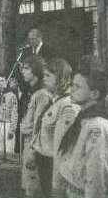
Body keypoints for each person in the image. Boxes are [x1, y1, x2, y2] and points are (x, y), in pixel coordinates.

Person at [58, 55, 108, 198]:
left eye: (77, 86)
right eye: (72, 84)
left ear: (94, 94)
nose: (71, 89)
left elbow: (96, 176)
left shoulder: (97, 126)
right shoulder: (83, 119)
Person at [32, 59, 79, 198]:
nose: (44, 79)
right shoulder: (55, 100)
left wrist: (57, 185)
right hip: (44, 161)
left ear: (60, 77)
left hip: (53, 165)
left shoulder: (67, 105)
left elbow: (62, 148)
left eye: (48, 76)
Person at [20, 55, 51, 198]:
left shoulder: (42, 94)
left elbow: (39, 126)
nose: (23, 71)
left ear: (36, 71)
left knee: (33, 190)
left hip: (34, 147)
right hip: (29, 144)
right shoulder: (35, 93)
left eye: (26, 68)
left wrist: (32, 152)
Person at [0, 76, 18, 158]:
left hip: (7, 124)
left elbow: (14, 113)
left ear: (6, 82)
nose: (1, 83)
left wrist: (12, 128)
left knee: (9, 149)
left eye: (2, 81)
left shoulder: (12, 95)